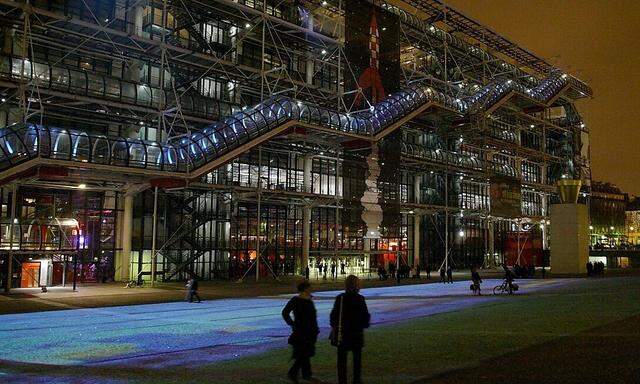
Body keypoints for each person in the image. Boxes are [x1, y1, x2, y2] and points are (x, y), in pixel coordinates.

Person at [331, 275, 370, 384]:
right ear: (357, 285)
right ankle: (356, 381)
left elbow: (333, 316)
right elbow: (365, 317)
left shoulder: (340, 298)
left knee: (342, 362)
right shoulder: (360, 299)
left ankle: (342, 381)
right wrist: (363, 324)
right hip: (356, 334)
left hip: (343, 334)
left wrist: (336, 326)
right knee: (357, 363)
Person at [282, 280, 319, 383]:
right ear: (305, 289)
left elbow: (312, 318)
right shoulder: (297, 300)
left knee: (304, 352)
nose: (311, 289)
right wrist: (292, 323)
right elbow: (285, 312)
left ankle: (305, 374)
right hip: (302, 331)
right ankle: (295, 373)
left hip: (308, 330)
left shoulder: (307, 300)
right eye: (309, 288)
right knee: (304, 353)